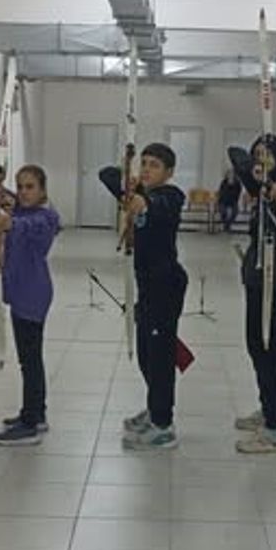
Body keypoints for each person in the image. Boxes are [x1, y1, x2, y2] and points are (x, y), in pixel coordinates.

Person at [99, 143, 189, 450]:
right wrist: (130, 181)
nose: (148, 169)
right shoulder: (136, 193)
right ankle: (154, 408)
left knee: (161, 357)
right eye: (145, 163)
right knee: (146, 354)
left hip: (166, 285)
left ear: (169, 172)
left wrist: (142, 200)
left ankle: (163, 425)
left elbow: (160, 206)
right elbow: (106, 174)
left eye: (155, 165)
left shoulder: (171, 196)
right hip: (148, 287)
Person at [229, 135, 276, 454]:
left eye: (268, 154)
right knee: (256, 345)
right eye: (258, 153)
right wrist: (254, 173)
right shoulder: (256, 182)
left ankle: (274, 428)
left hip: (275, 277)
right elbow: (235, 153)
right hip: (256, 275)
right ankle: (266, 407)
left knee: (270, 350)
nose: (261, 159)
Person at [0, 165, 61, 446]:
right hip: (21, 292)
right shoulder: (21, 209)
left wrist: (9, 223)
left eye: (30, 187)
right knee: (29, 360)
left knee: (30, 362)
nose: (23, 192)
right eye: (20, 186)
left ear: (43, 189)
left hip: (32, 294)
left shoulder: (46, 217)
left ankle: (30, 424)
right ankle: (36, 414)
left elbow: (29, 227)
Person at [217, 168, 243, 233]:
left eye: (231, 174)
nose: (230, 175)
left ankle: (227, 225)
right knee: (223, 211)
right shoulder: (224, 182)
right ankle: (226, 225)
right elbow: (221, 192)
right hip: (224, 200)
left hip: (233, 201)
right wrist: (228, 186)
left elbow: (238, 192)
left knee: (235, 212)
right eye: (229, 174)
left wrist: (232, 187)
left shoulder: (237, 183)